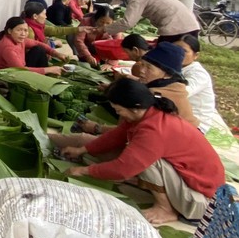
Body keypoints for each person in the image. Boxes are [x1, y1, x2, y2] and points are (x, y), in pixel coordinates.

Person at [59, 78, 225, 225]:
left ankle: (165, 209)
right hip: (194, 187)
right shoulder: (150, 113)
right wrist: (81, 150)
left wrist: (83, 170)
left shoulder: (154, 130)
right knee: (137, 155)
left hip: (201, 202)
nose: (118, 114)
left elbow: (123, 169)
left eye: (119, 110)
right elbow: (117, 135)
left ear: (135, 107)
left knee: (149, 161)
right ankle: (166, 200)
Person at [102, 0, 200, 42]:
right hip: (189, 26)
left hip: (177, 28)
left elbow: (128, 23)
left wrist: (104, 29)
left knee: (166, 56)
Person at [173, 35, 227, 133]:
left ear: (196, 55)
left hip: (196, 126)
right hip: (178, 116)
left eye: (184, 51)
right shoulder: (176, 67)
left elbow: (181, 94)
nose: (178, 53)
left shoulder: (198, 74)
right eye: (175, 49)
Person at [0, 17, 68, 75]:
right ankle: (46, 76)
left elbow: (38, 43)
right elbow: (20, 70)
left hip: (17, 69)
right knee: (44, 65)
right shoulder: (8, 48)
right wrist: (48, 70)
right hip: (6, 75)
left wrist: (56, 54)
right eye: (19, 30)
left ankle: (46, 75)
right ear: (10, 31)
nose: (23, 34)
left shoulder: (19, 39)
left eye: (25, 30)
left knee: (39, 49)